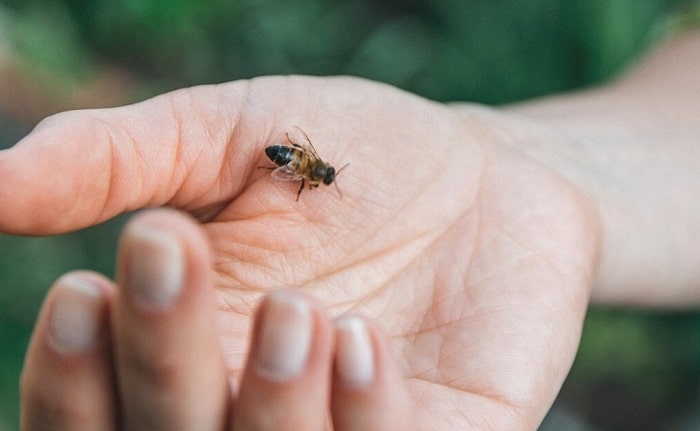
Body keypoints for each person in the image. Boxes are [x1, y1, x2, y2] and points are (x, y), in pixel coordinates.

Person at [4, 29, 699, 430]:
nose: (315, 175)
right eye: (318, 173)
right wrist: (524, 166)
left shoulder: (309, 168)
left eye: (316, 174)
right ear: (320, 167)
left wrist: (538, 177)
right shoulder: (305, 165)